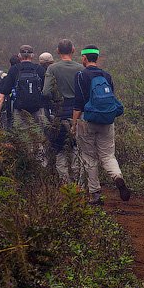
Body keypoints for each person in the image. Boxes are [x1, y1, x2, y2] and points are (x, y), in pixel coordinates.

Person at [73, 45, 130, 205]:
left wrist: (74, 123)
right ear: (97, 58)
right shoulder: (107, 75)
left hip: (87, 121)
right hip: (106, 120)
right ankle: (118, 177)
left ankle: (96, 194)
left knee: (89, 158)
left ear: (84, 58)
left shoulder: (80, 76)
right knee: (108, 156)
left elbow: (78, 104)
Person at [0, 45, 48, 164]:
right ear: (32, 56)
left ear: (19, 56)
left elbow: (3, 94)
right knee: (39, 137)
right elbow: (47, 91)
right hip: (38, 109)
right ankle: (41, 165)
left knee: (23, 137)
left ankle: (26, 163)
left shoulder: (14, 70)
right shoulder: (39, 69)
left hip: (19, 110)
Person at [42, 39, 84, 184]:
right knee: (76, 148)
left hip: (60, 112)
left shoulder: (52, 69)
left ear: (58, 51)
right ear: (73, 50)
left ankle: (66, 185)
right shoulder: (81, 68)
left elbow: (46, 92)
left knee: (59, 149)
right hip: (79, 113)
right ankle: (78, 186)